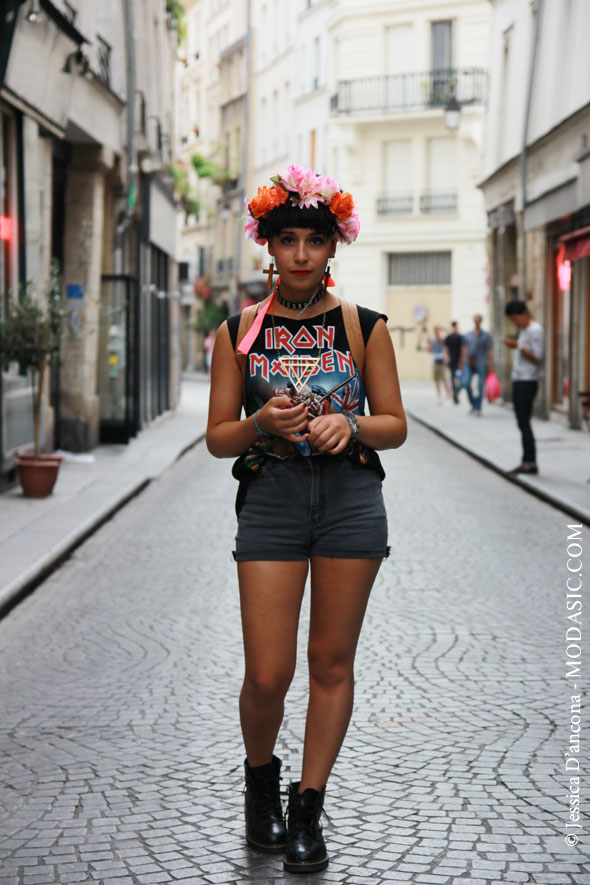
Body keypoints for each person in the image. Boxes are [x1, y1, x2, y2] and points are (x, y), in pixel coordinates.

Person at [206, 164, 407, 873]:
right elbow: (216, 438)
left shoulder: (364, 326)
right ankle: (260, 778)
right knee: (268, 672)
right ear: (269, 245)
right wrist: (259, 421)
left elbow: (395, 425)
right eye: (286, 239)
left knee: (330, 662)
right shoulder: (237, 332)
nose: (299, 253)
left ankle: (307, 809)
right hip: (272, 499)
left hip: (351, 502)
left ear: (332, 248)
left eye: (313, 241)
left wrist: (350, 426)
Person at [504, 299, 545, 474]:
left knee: (524, 422)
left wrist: (518, 346)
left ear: (524, 314)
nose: (514, 322)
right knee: (522, 422)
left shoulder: (535, 330)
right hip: (520, 379)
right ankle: (527, 460)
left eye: (515, 318)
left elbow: (538, 357)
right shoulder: (524, 330)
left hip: (527, 381)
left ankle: (530, 462)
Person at [461, 314, 494, 415]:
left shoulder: (486, 335)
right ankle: (473, 403)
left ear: (481, 321)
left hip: (481, 362)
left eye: (478, 320)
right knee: (466, 383)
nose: (477, 322)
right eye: (475, 320)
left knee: (480, 385)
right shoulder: (468, 335)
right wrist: (461, 363)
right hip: (469, 362)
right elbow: (464, 350)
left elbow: (490, 351)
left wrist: (491, 366)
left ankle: (478, 407)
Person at [428, 326, 450, 404]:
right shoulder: (433, 341)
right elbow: (430, 350)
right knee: (437, 381)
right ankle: (439, 397)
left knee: (445, 380)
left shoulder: (443, 340)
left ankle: (448, 395)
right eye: (436, 331)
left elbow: (446, 349)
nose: (437, 332)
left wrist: (446, 359)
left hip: (442, 362)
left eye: (438, 331)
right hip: (435, 362)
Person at [443, 320, 464, 404]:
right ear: (456, 326)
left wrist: (447, 359)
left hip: (452, 361)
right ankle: (457, 390)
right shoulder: (460, 337)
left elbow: (446, 350)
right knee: (460, 379)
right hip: (459, 361)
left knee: (453, 379)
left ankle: (455, 390)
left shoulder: (448, 337)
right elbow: (463, 349)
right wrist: (462, 361)